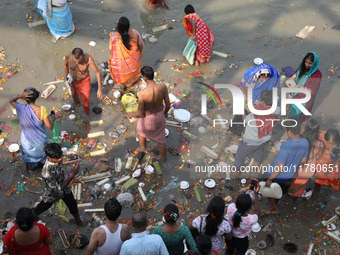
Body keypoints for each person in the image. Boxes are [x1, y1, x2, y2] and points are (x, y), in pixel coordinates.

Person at [33, 143, 83, 226]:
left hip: (64, 188)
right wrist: (71, 176)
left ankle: (78, 220)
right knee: (43, 206)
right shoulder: (47, 173)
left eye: (61, 156)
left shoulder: (57, 159)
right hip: (52, 193)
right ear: (49, 158)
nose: (60, 159)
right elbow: (58, 189)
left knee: (72, 204)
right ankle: (34, 215)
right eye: (57, 158)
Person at [128, 66, 170, 162]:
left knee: (141, 132)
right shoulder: (163, 87)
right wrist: (165, 113)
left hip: (148, 119)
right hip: (160, 116)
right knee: (162, 140)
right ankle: (164, 160)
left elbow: (141, 113)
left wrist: (131, 114)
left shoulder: (142, 93)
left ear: (145, 79)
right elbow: (168, 105)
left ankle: (143, 150)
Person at [234, 90, 280, 177]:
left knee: (240, 156)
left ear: (262, 102)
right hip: (265, 139)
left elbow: (245, 119)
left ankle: (236, 177)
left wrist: (242, 111)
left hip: (250, 141)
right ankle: (256, 169)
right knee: (259, 151)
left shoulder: (253, 117)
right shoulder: (277, 110)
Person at [265, 124, 309, 214]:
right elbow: (304, 160)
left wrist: (270, 179)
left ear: (289, 132)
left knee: (268, 190)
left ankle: (274, 208)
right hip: (290, 175)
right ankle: (274, 206)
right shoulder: (305, 142)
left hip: (279, 176)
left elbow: (280, 167)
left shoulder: (285, 146)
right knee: (279, 193)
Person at [9, 88, 55, 172]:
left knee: (30, 159)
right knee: (42, 158)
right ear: (36, 97)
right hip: (40, 140)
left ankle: (32, 170)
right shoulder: (42, 109)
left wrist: (20, 96)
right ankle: (43, 169)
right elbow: (49, 127)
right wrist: (53, 120)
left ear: (24, 98)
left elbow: (11, 101)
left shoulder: (20, 108)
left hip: (27, 141)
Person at [289, 119, 324, 198]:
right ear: (317, 131)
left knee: (295, 181)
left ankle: (292, 194)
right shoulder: (320, 143)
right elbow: (318, 157)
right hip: (308, 169)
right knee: (301, 184)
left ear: (305, 128)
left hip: (297, 166)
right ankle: (296, 195)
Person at [64, 48, 103, 115]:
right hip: (72, 80)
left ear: (83, 56)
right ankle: (77, 108)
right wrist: (68, 78)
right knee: (74, 95)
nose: (77, 63)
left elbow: (97, 73)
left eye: (79, 61)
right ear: (72, 56)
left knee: (85, 100)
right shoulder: (68, 55)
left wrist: (100, 89)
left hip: (84, 81)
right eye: (75, 61)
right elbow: (65, 65)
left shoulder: (88, 58)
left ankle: (86, 114)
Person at [109, 16, 143, 88]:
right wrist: (138, 55)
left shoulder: (114, 37)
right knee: (133, 70)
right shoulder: (134, 33)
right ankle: (132, 82)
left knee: (117, 64)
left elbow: (110, 50)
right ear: (129, 26)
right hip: (134, 67)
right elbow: (141, 45)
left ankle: (123, 85)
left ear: (118, 27)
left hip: (120, 70)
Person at [226, 185, 260, 255]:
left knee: (229, 249)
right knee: (239, 253)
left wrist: (246, 189)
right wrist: (256, 195)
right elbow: (257, 212)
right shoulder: (251, 219)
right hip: (241, 241)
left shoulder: (230, 208)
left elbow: (236, 200)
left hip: (229, 236)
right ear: (249, 208)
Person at [288, 52, 322, 122]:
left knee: (298, 116)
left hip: (304, 99)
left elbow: (312, 91)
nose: (306, 64)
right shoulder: (302, 67)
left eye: (310, 63)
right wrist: (292, 78)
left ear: (314, 63)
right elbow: (296, 73)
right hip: (295, 94)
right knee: (292, 112)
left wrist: (301, 87)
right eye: (306, 62)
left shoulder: (317, 75)